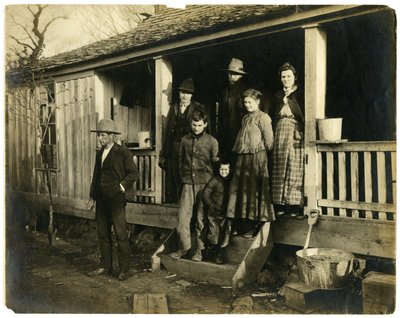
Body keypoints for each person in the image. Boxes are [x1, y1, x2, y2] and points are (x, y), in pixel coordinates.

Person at [87, 118, 139, 281]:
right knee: (103, 233)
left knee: (120, 234)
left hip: (116, 199)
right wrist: (92, 197)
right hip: (101, 199)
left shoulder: (123, 152)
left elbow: (133, 174)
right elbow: (96, 176)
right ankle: (106, 266)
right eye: (99, 135)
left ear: (111, 136)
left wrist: (121, 187)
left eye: (102, 135)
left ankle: (124, 269)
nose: (99, 138)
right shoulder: (99, 153)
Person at [169, 109, 219, 262]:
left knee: (200, 218)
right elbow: (180, 162)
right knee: (183, 217)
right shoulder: (184, 140)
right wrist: (182, 182)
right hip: (187, 184)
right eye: (193, 125)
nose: (196, 128)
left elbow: (216, 164)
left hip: (205, 184)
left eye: (199, 125)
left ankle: (200, 251)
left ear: (205, 124)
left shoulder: (212, 141)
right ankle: (184, 248)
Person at [226, 89, 275, 237]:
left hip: (256, 159)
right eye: (246, 102)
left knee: (253, 190)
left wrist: (259, 153)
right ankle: (240, 225)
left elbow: (270, 142)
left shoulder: (263, 117)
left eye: (250, 102)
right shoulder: (245, 118)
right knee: (241, 190)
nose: (248, 105)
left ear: (258, 102)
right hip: (243, 159)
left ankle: (252, 226)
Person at [159, 78, 209, 203]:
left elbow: (204, 129)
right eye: (182, 93)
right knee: (176, 175)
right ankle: (179, 203)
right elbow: (167, 132)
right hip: (175, 146)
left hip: (191, 146)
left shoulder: (198, 108)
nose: (184, 96)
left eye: (187, 93)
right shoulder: (174, 108)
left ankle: (190, 204)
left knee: (189, 174)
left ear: (191, 95)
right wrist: (164, 153)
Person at [270, 63, 305, 217]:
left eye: (288, 76)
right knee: (279, 166)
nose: (285, 79)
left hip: (295, 131)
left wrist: (290, 98)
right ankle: (280, 204)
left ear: (294, 77)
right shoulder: (277, 95)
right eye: (283, 76)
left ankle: (294, 205)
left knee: (293, 167)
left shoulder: (300, 93)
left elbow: (302, 114)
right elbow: (272, 115)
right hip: (280, 133)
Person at [217, 58, 247, 161]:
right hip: (226, 135)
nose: (231, 76)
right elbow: (221, 116)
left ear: (241, 75)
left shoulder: (245, 92)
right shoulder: (225, 92)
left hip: (240, 134)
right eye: (230, 73)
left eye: (235, 74)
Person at [202, 160, 232, 264]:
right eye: (222, 169)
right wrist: (211, 205)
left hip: (224, 214)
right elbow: (205, 194)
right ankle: (208, 252)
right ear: (218, 170)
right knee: (213, 235)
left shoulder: (231, 181)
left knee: (223, 236)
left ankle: (218, 255)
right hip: (213, 213)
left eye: (226, 169)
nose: (224, 171)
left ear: (229, 170)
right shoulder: (215, 180)